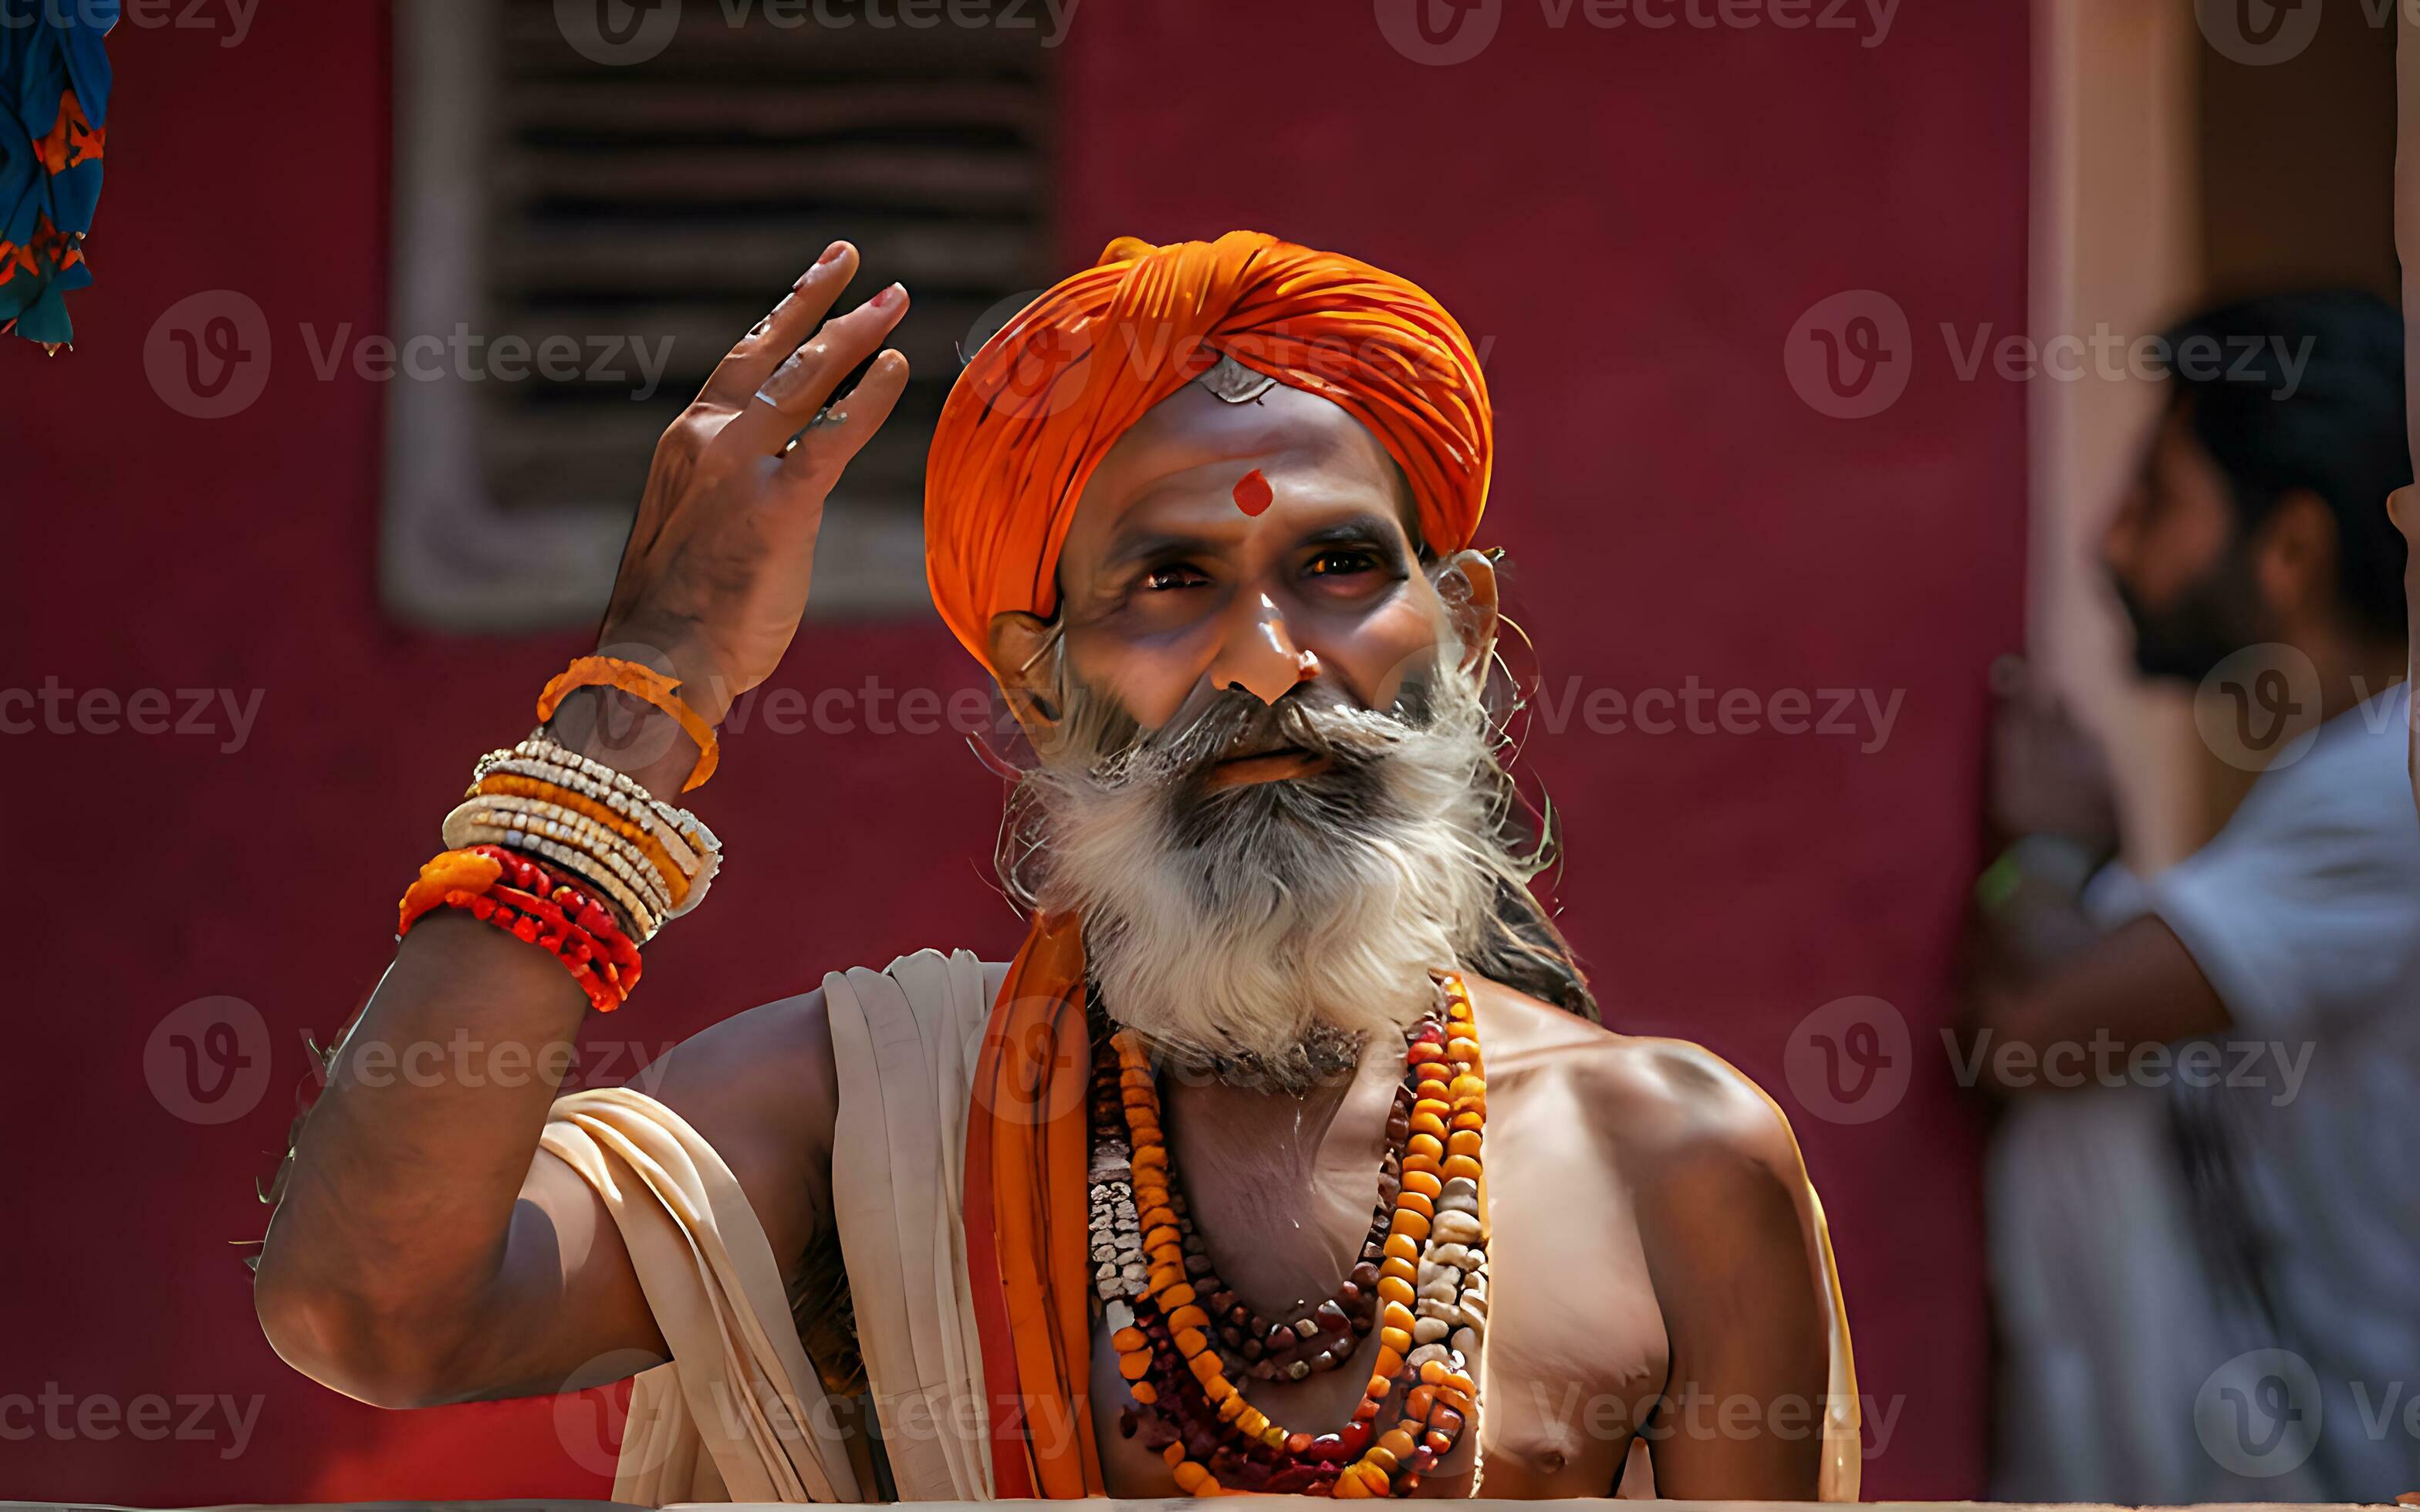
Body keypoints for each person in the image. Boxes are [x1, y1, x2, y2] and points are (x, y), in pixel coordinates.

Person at [251, 231, 1860, 1504]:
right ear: (1037, 680)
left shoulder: (1675, 1160)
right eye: (1171, 579)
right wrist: (649, 680)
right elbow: (370, 1308)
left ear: (1468, 631)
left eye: (1336, 566)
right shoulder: (858, 1114)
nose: (1267, 659)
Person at [1968, 292, 2420, 1501]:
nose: (2114, 545)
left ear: (2292, 550)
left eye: (2158, 501)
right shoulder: (2347, 777)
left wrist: (2048, 857)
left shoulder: (2394, 780)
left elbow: (2033, 1038)